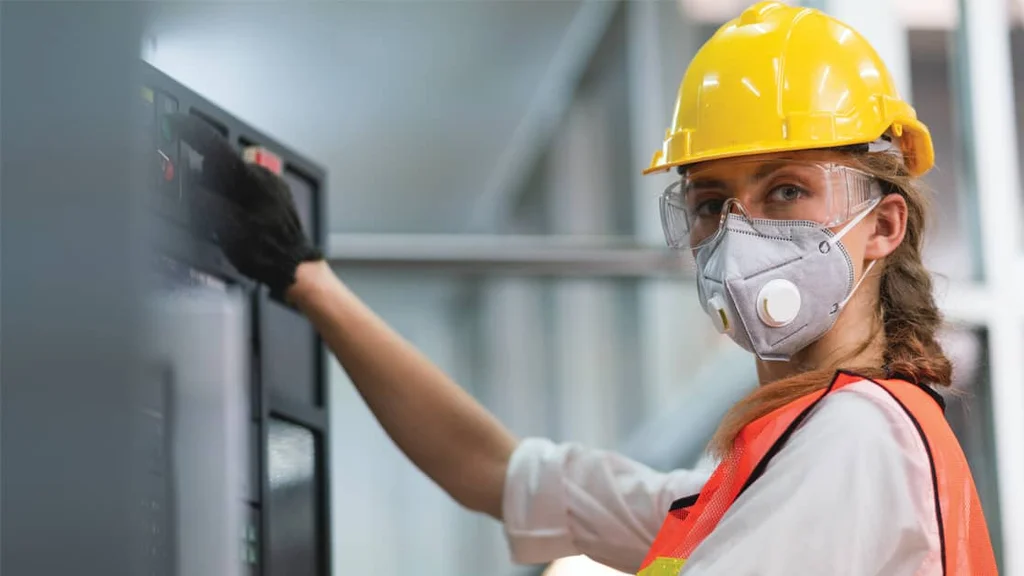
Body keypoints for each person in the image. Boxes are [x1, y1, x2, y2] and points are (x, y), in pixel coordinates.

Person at [167, 2, 998, 574]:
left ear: (883, 227)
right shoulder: (748, 484)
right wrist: (303, 278)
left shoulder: (855, 438)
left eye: (785, 189)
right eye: (710, 202)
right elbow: (494, 470)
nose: (741, 232)